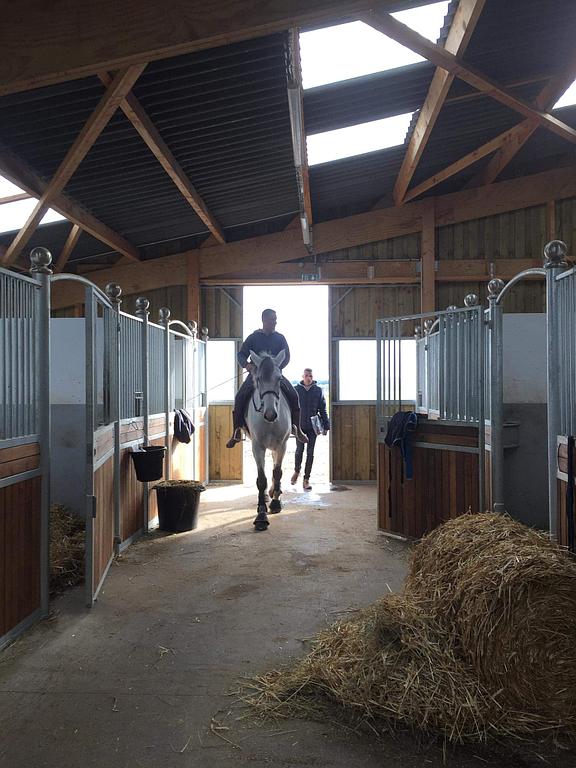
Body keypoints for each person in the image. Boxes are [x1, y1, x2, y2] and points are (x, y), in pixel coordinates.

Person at [226, 309, 308, 448]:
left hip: (275, 375)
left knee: (294, 395)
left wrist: (277, 367)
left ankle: (297, 428)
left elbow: (287, 356)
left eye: (275, 319)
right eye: (272, 319)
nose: (275, 322)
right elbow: (241, 354)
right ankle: (237, 431)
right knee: (240, 397)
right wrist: (246, 365)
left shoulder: (280, 338)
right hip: (256, 376)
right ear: (264, 320)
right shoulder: (253, 338)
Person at [291, 368, 329, 490]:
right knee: (299, 450)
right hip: (300, 426)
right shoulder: (296, 390)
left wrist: (326, 425)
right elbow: (292, 409)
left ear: (313, 377)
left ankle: (306, 479)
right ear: (302, 376)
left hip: (313, 427)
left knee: (310, 453)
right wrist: (292, 424)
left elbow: (323, 409)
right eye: (306, 375)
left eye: (310, 376)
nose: (309, 378)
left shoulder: (318, 390)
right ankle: (296, 471)